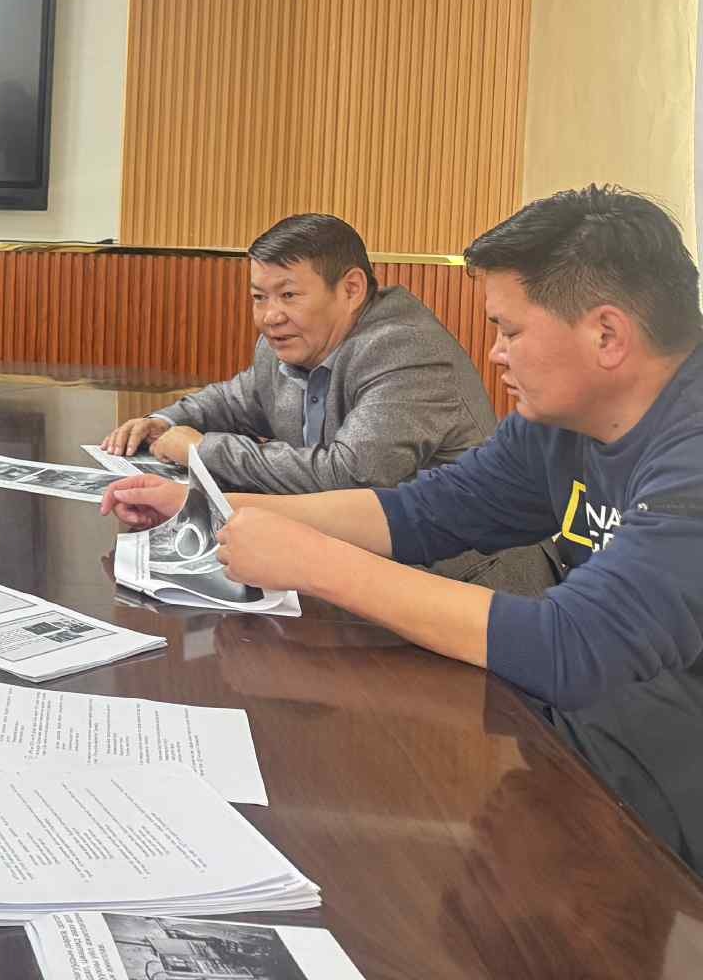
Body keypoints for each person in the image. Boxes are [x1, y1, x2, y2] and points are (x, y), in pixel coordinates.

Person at [101, 187, 703, 869]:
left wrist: (317, 562)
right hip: (598, 735)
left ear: (607, 336)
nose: (495, 353)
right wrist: (208, 506)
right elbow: (423, 511)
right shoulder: (560, 422)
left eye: (509, 331)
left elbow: (573, 645)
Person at [102, 213, 497, 493]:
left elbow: (351, 476)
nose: (270, 316)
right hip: (346, 551)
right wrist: (163, 422)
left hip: (456, 572)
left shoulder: (405, 350)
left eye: (289, 295)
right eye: (259, 297)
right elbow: (235, 401)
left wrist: (203, 450)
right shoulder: (288, 342)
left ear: (352, 289)